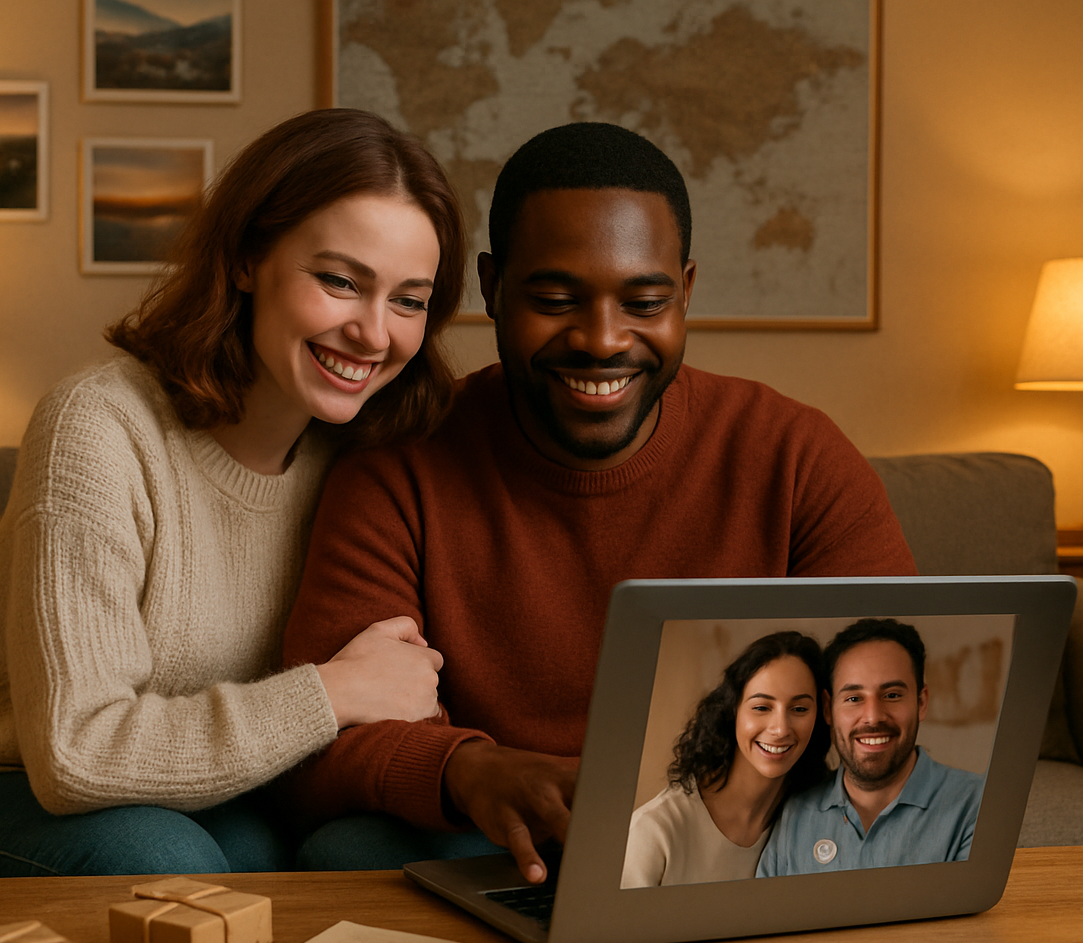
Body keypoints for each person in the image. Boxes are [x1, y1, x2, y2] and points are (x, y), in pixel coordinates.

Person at [279, 121, 918, 883]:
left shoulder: (796, 457)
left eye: (644, 301)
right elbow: (322, 741)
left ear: (684, 290)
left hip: (738, 844)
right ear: (492, 288)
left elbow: (892, 705)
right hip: (495, 844)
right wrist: (468, 769)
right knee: (347, 852)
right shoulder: (398, 464)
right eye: (554, 298)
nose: (602, 340)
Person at [0, 108, 468, 879]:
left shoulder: (361, 458)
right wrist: (331, 693)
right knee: (170, 859)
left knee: (305, 854)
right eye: (341, 281)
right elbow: (74, 754)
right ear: (249, 257)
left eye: (409, 300)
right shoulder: (99, 427)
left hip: (187, 799)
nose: (374, 334)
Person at [756, 618, 984, 876]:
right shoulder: (794, 813)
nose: (873, 717)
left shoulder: (979, 804)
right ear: (828, 708)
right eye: (854, 698)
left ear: (921, 702)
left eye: (892, 695)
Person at [621, 632, 830, 888]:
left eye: (799, 709)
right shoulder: (652, 831)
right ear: (732, 711)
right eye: (761, 707)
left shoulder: (812, 819)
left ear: (821, 715)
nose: (780, 729)